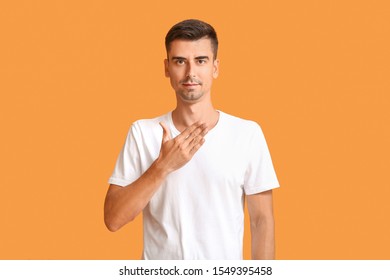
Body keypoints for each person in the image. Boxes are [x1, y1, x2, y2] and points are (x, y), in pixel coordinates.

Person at [104, 19, 279, 260]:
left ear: (215, 67)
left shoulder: (247, 134)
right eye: (180, 61)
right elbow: (113, 219)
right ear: (167, 68)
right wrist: (162, 167)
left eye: (201, 61)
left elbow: (262, 222)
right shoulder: (143, 133)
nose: (190, 73)